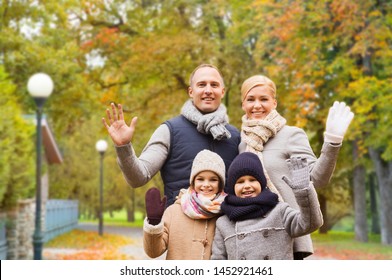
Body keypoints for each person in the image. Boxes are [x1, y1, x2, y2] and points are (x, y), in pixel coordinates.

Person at [238, 74, 354, 259]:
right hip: (253, 237)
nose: (257, 105)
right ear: (243, 104)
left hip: (287, 233)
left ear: (274, 102)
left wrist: (332, 142)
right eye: (250, 99)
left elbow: (317, 179)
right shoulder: (243, 144)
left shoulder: (291, 135)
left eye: (264, 99)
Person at [102, 64, 240, 207]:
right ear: (191, 92)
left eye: (214, 85)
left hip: (222, 227)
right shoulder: (169, 131)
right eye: (201, 84)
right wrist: (123, 147)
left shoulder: (235, 136)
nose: (208, 90)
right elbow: (138, 178)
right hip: (179, 224)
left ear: (222, 92)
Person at [211, 152, 323, 260]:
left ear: (262, 183)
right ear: (232, 187)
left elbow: (311, 223)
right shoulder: (223, 222)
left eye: (252, 180)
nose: (247, 186)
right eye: (240, 182)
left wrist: (304, 192)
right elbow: (218, 260)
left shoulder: (279, 211)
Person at [143, 149, 227, 259]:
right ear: (193, 182)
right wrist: (154, 223)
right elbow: (153, 252)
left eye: (213, 180)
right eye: (200, 179)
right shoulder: (173, 212)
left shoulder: (225, 213)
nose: (206, 184)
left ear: (220, 183)